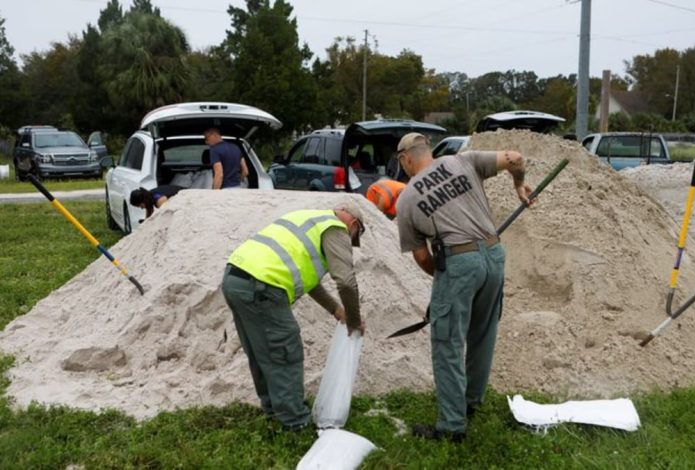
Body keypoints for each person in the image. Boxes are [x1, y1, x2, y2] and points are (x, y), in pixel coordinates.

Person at [394, 132, 533, 442]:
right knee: (483, 333)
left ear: (405, 159)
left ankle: (452, 426)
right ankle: (471, 402)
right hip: (494, 255)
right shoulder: (463, 160)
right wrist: (519, 186)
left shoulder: (407, 198)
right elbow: (514, 158)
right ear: (428, 150)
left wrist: (446, 278)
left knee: (448, 343)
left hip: (458, 262)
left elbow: (421, 256)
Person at [221, 201, 367, 431]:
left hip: (235, 278)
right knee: (284, 350)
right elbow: (346, 281)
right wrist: (355, 320)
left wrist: (336, 310)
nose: (350, 241)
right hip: (263, 286)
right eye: (354, 235)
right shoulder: (336, 228)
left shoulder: (307, 219)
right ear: (353, 224)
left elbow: (308, 280)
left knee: (261, 350)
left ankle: (273, 409)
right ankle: (295, 422)